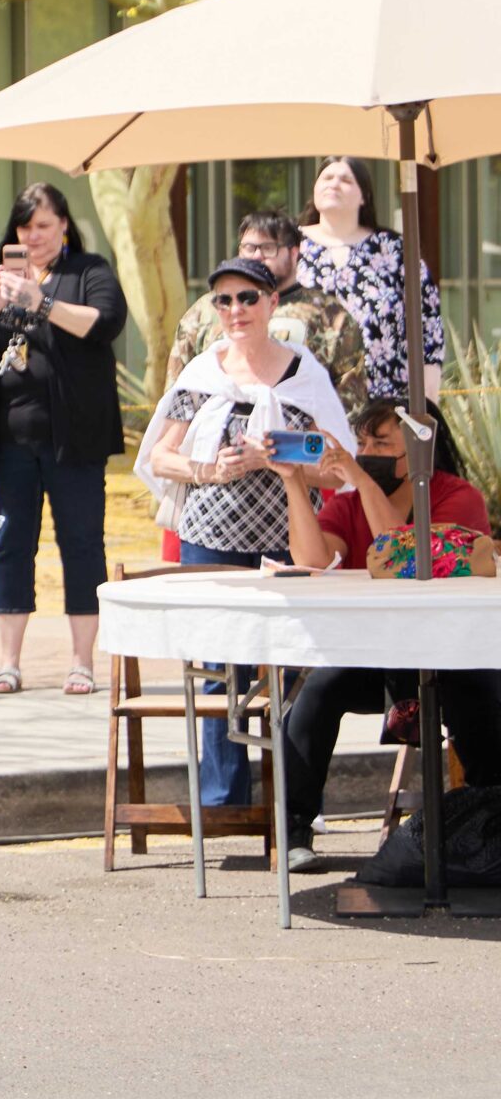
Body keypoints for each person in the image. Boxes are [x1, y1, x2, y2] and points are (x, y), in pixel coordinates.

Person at [137, 257, 354, 809]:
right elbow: (160, 456)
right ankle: (223, 804)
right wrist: (211, 469)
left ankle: (293, 807)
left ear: (272, 302)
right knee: (216, 671)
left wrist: (279, 459)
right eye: (224, 300)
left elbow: (337, 468)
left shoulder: (305, 375)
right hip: (209, 541)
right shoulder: (201, 374)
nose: (236, 310)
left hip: (290, 540)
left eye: (248, 298)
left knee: (295, 673)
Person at [278, 399, 501, 868]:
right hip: (375, 652)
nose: (366, 453)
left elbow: (405, 555)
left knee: (479, 698)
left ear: (418, 452)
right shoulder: (347, 503)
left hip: (449, 652)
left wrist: (360, 480)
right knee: (316, 694)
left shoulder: (457, 497)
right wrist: (293, 482)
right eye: (362, 442)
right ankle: (294, 826)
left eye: (381, 444)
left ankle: (490, 822)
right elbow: (312, 560)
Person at [0, 183, 127, 695]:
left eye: (44, 225)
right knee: (10, 545)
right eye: (26, 227)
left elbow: (104, 322)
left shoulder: (88, 271)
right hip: (9, 442)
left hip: (75, 440)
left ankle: (82, 662)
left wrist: (41, 302)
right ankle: (9, 663)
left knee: (82, 544)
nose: (34, 236)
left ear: (64, 225)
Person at [169, 211, 366, 417]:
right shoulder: (205, 310)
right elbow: (177, 388)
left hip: (297, 432)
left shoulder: (330, 315)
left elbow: (350, 397)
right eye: (249, 248)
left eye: (268, 248)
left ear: (294, 253)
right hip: (214, 429)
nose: (257, 256)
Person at [298, 156, 445, 401]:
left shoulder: (394, 249)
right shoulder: (288, 245)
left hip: (383, 405)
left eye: (346, 180)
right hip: (303, 401)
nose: (334, 184)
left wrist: (428, 399)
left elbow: (429, 326)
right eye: (327, 178)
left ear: (364, 197)